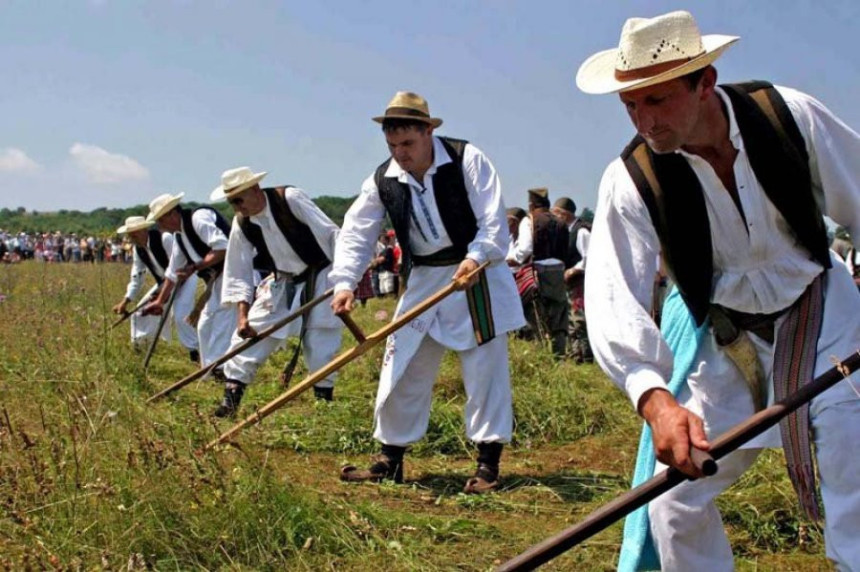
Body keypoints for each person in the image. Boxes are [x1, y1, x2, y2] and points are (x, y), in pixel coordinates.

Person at [577, 10, 860, 570]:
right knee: (673, 500)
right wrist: (656, 401)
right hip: (729, 343)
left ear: (704, 82)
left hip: (826, 319)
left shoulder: (786, 117)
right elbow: (614, 299)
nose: (644, 121)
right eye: (630, 105)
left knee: (855, 470)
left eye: (656, 101)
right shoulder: (632, 180)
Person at [329, 91, 524, 493]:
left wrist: (475, 258)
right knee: (402, 362)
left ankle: (488, 464)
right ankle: (390, 457)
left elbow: (493, 223)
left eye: (408, 144)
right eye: (392, 146)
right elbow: (357, 232)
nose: (400, 153)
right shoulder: (383, 179)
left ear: (428, 133)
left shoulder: (467, 159)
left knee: (484, 366)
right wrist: (345, 282)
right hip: (423, 279)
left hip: (475, 275)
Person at [209, 167, 344, 417]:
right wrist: (242, 316)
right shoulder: (243, 223)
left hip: (322, 274)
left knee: (320, 342)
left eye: (239, 199)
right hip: (281, 282)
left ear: (255, 189)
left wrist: (345, 282)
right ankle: (230, 403)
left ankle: (324, 407)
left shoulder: (289, 199)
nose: (236, 207)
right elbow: (237, 270)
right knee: (245, 339)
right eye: (231, 202)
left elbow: (332, 235)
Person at [142, 192, 237, 373]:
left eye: (160, 220)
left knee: (222, 322)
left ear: (171, 214)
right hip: (218, 279)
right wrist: (160, 301)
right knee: (204, 326)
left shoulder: (198, 219)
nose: (160, 226)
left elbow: (223, 247)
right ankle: (210, 369)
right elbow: (172, 273)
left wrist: (195, 267)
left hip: (236, 272)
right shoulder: (179, 236)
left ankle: (223, 369)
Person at [112, 216, 200, 360]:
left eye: (135, 232)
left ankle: (195, 352)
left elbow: (180, 262)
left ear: (144, 229)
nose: (132, 236)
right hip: (163, 283)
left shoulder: (164, 238)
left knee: (180, 315)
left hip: (186, 278)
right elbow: (137, 276)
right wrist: (125, 301)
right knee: (140, 312)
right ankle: (141, 347)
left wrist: (162, 294)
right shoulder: (138, 249)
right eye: (130, 233)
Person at [508, 188, 569, 357]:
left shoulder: (530, 220)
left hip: (537, 274)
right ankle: (559, 357)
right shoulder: (562, 223)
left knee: (534, 316)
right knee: (558, 318)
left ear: (531, 205)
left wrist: (511, 258)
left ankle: (539, 356)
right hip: (558, 274)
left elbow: (525, 250)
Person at [551, 196, 593, 363]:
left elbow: (589, 257)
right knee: (571, 319)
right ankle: (577, 355)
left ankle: (586, 356)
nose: (554, 218)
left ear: (564, 214)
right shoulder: (566, 230)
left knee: (580, 319)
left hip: (580, 281)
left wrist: (574, 270)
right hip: (571, 281)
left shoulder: (581, 231)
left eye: (556, 214)